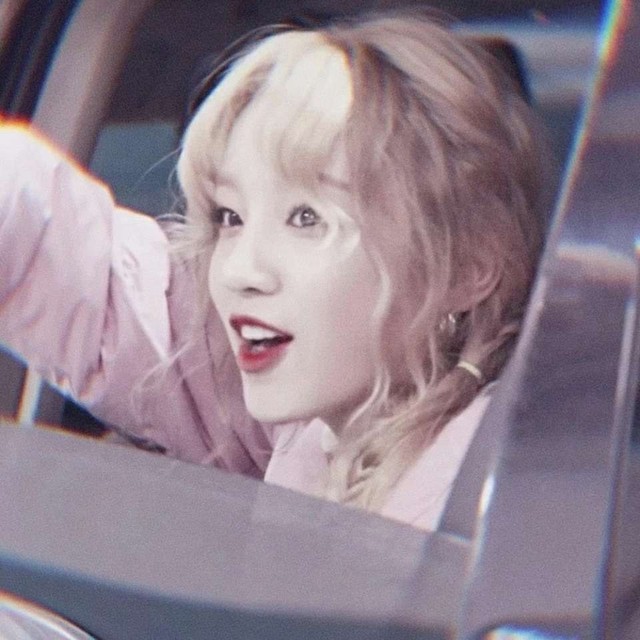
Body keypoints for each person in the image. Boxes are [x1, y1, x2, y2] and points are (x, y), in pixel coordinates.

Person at [0, 10, 551, 530]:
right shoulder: (323, 419)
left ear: (467, 269)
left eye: (307, 218)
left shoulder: (481, 511)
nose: (238, 271)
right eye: (230, 216)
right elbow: (101, 285)